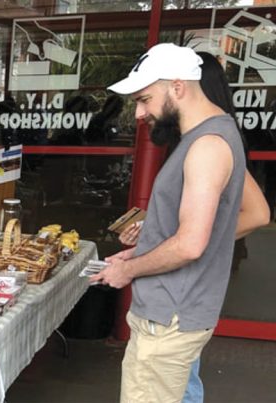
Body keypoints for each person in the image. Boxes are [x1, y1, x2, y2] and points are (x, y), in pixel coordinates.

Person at [91, 43, 247, 403]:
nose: (139, 113)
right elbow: (193, 233)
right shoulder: (206, 137)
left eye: (145, 99)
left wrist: (129, 272)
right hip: (172, 312)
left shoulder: (207, 145)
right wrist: (136, 255)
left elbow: (191, 244)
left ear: (178, 87)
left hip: (169, 317)